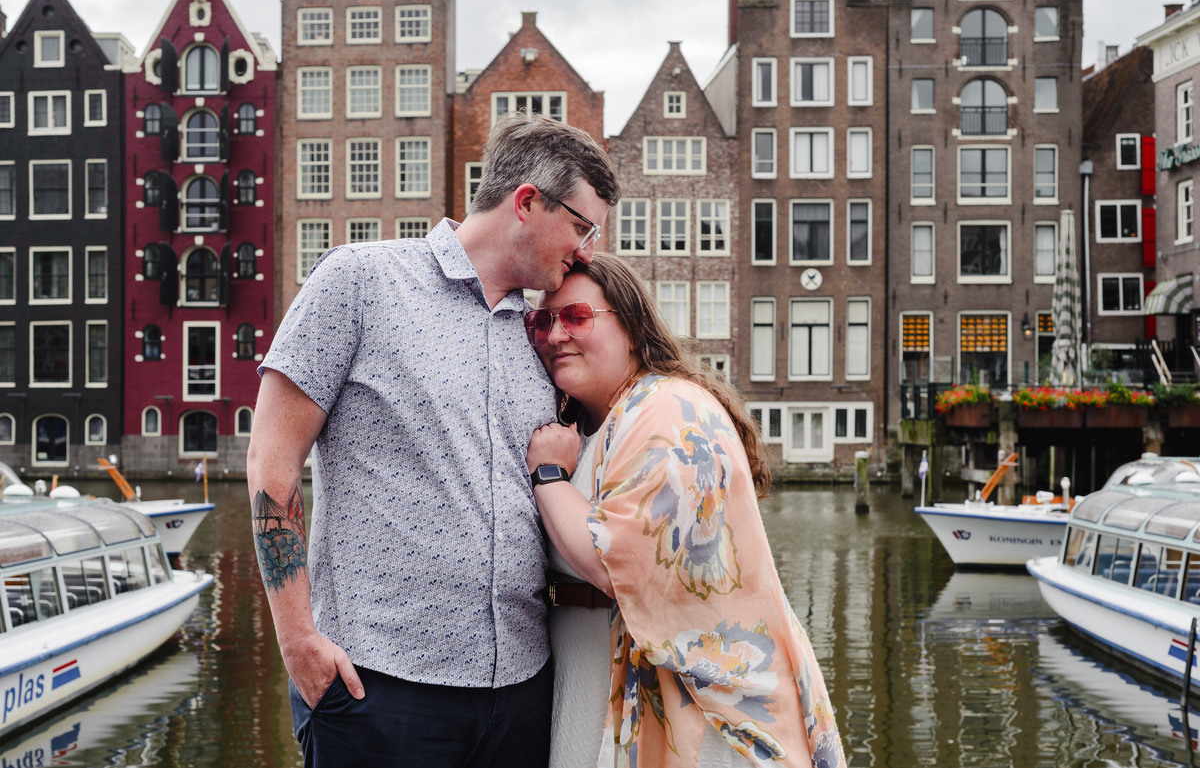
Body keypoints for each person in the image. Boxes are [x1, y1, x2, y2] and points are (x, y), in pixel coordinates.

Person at [246, 113, 620, 767]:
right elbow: (272, 460)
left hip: (522, 690)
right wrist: (298, 638)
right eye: (582, 226)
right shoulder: (360, 281)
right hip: (381, 690)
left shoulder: (543, 336)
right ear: (527, 202)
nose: (588, 249)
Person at [525, 253, 847, 768]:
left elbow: (613, 563)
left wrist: (548, 476)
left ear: (631, 328)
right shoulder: (590, 423)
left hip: (696, 709)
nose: (555, 334)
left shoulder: (669, 412)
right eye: (542, 320)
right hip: (590, 675)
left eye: (576, 316)